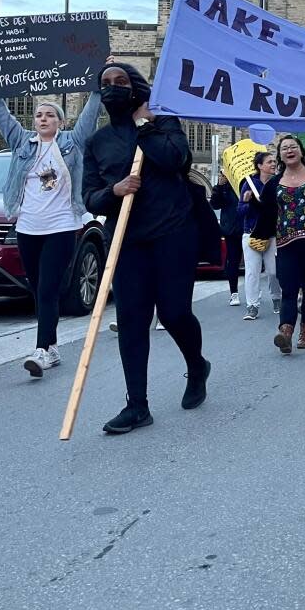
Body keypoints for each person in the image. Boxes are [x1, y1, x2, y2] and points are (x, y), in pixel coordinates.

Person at [83, 62, 210, 434]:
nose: (112, 88)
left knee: (173, 313)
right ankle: (136, 405)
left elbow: (177, 160)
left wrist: (145, 126)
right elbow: (89, 196)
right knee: (133, 323)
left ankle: (197, 364)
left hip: (173, 232)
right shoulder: (98, 142)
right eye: (105, 83)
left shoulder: (163, 122)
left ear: (136, 87)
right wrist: (114, 191)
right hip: (127, 240)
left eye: (120, 81)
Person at [0, 83, 101, 379]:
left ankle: (42, 351)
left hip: (61, 226)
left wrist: (98, 87)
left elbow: (90, 113)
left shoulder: (73, 142)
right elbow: (0, 112)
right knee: (38, 289)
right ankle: (52, 345)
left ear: (61, 121)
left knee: (48, 287)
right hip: (28, 227)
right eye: (39, 115)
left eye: (50, 115)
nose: (43, 119)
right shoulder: (22, 143)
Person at [251, 135, 305, 353]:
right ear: (280, 155)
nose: (289, 150)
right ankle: (286, 331)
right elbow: (266, 211)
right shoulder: (273, 183)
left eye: (293, 147)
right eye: (284, 149)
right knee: (288, 288)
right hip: (286, 242)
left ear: (301, 151)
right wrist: (259, 234)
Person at [237, 150, 281, 320]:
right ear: (260, 165)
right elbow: (240, 212)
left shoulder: (278, 183)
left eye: (273, 161)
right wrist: (248, 203)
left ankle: (277, 298)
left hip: (272, 233)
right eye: (269, 162)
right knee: (252, 272)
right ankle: (252, 305)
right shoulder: (249, 184)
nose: (273, 164)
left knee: (274, 271)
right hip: (252, 233)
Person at [209, 165, 243, 306]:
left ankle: (256, 293)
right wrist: (219, 187)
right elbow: (215, 204)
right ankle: (234, 293)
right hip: (231, 230)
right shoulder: (225, 187)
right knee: (233, 261)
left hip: (248, 228)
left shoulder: (246, 183)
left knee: (254, 263)